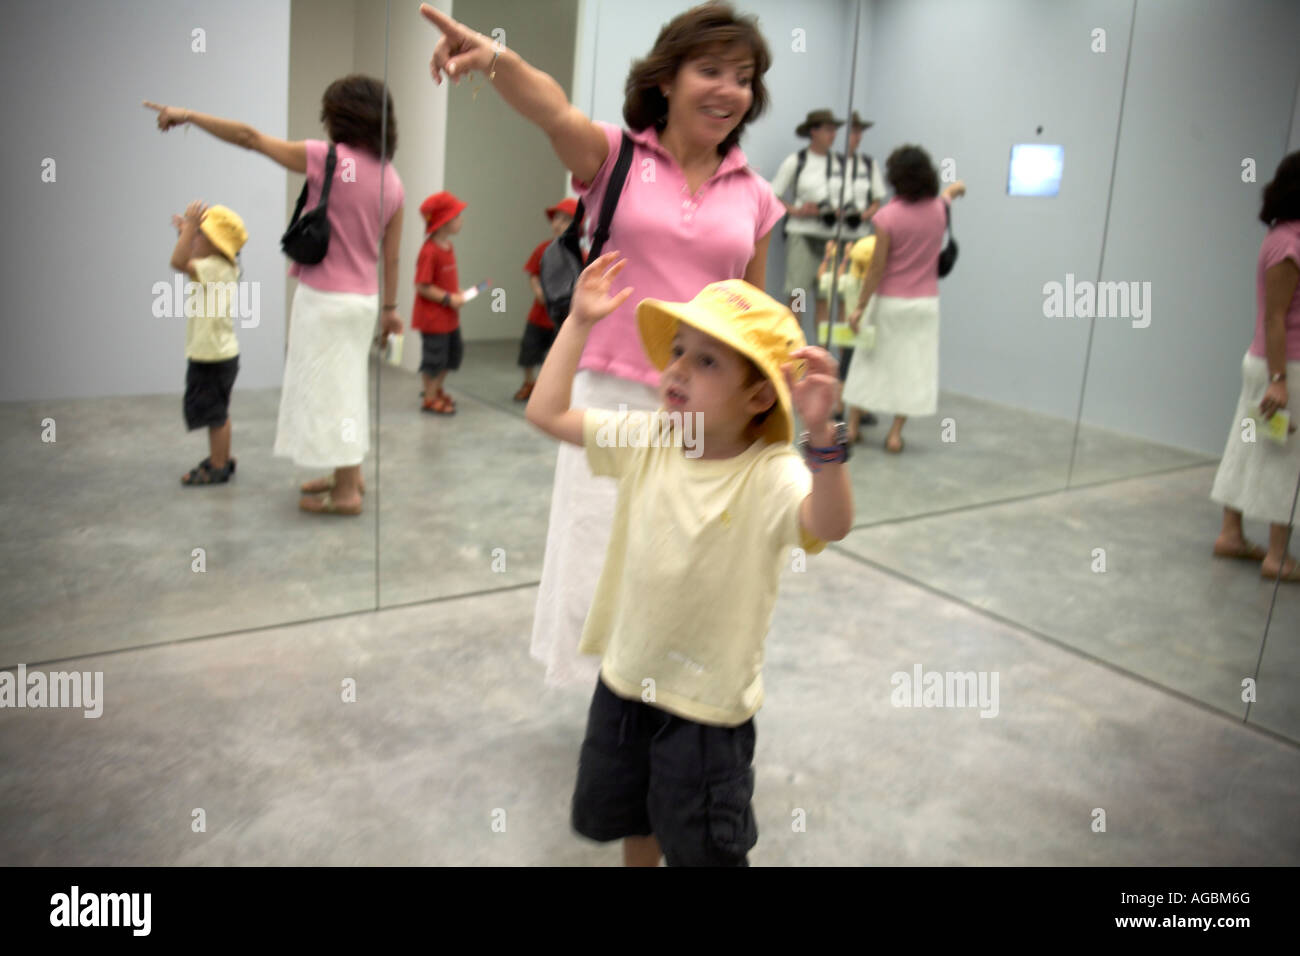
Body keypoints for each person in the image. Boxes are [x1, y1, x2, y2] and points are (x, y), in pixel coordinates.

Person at [421, 1, 784, 688]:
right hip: (611, 393)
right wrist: (493, 57)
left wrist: (762, 410)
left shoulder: (757, 195)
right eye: (711, 70)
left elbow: (752, 313)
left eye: (744, 76)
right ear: (667, 80)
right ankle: (608, 704)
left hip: (706, 411)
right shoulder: (614, 157)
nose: (730, 89)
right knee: (598, 557)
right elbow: (551, 110)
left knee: (687, 565)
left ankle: (670, 693)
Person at [524, 255, 853, 866]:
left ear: (759, 395)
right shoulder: (652, 438)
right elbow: (545, 413)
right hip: (628, 680)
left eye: (706, 361)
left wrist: (824, 441)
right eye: (678, 350)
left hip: (707, 710)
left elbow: (828, 525)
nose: (676, 369)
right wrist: (576, 324)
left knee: (703, 846)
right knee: (636, 818)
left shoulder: (769, 473)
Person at [145, 74, 405, 516]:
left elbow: (249, 138)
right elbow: (392, 258)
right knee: (348, 388)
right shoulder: (392, 180)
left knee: (333, 394)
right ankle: (350, 473)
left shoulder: (327, 158)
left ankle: (346, 493)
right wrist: (391, 311)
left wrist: (188, 115)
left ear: (340, 116)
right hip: (361, 303)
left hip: (323, 300)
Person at [1211, 150, 1300, 582]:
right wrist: (1280, 381)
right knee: (1283, 457)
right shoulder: (1290, 244)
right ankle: (1278, 556)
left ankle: (1231, 534)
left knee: (1248, 445)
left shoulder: (1280, 235)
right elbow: (1276, 317)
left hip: (1268, 363)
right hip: (1285, 369)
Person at [844, 145, 966, 451]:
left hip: (889, 303)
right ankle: (895, 434)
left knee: (868, 363)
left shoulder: (887, 217)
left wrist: (859, 306)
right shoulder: (940, 209)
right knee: (914, 368)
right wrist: (956, 189)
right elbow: (950, 195)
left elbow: (876, 267)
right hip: (925, 305)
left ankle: (854, 426)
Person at [170, 201, 248, 485]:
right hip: (220, 353)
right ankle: (222, 459)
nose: (193, 240)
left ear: (216, 244)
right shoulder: (221, 265)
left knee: (215, 415)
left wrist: (187, 230)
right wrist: (187, 231)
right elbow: (187, 253)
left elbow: (178, 262)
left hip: (211, 356)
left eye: (200, 235)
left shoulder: (214, 268)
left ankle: (217, 466)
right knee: (218, 412)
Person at [770, 109, 845, 332]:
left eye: (835, 130)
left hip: (830, 238)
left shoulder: (840, 164)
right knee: (798, 295)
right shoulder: (797, 161)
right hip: (802, 235)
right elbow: (774, 193)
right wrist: (797, 210)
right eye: (828, 129)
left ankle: (820, 355)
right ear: (814, 131)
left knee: (824, 297)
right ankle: (795, 354)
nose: (833, 135)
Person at [516, 198, 578, 402]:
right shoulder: (542, 249)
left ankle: (550, 388)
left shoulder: (579, 254)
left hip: (561, 318)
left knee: (556, 355)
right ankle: (528, 382)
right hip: (538, 315)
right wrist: (538, 290)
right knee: (529, 350)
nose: (558, 224)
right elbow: (532, 273)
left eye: (566, 220)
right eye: (556, 219)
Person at [413, 191, 468, 415]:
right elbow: (422, 286)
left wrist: (456, 293)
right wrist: (448, 298)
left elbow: (443, 282)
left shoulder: (448, 247)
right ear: (444, 222)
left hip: (449, 318)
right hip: (433, 319)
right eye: (457, 216)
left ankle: (435, 391)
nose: (461, 220)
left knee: (452, 355)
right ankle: (430, 397)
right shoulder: (429, 251)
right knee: (435, 360)